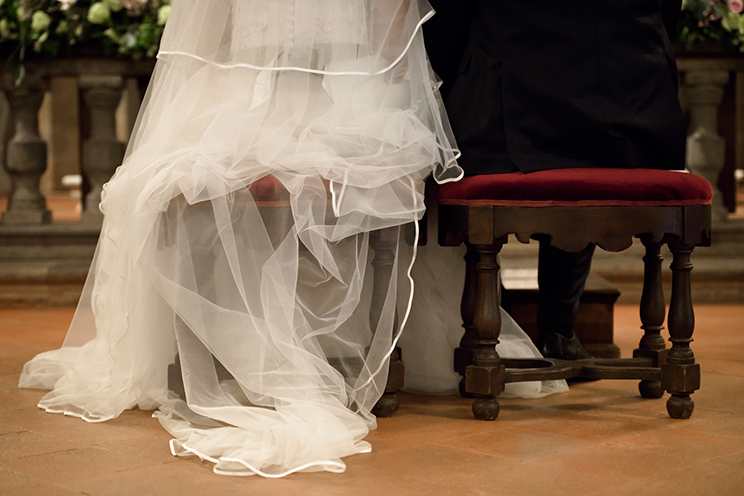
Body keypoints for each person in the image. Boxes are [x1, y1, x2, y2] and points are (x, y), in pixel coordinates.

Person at [19, 0, 463, 477]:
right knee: (196, 182)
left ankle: (258, 354)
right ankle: (309, 356)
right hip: (313, 93)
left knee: (208, 174)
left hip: (310, 92)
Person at [423, 0, 687, 360]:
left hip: (507, 103)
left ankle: (483, 318)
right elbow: (667, 12)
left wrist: (444, 84)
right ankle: (559, 326)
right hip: (632, 108)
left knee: (460, 141)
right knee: (591, 152)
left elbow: (446, 22)